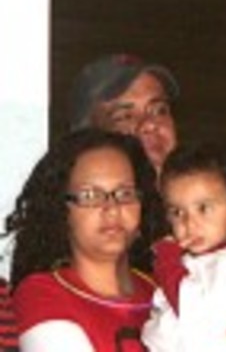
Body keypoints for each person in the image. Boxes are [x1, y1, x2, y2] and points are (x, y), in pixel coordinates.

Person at [6, 129, 166, 352]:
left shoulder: (164, 290)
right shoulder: (42, 294)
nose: (112, 209)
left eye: (125, 194)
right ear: (62, 210)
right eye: (90, 196)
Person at [69, 53, 226, 239]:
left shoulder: (215, 219)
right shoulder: (79, 234)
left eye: (159, 110)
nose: (150, 124)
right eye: (125, 116)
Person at [141, 142, 226, 351]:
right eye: (177, 212)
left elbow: (188, 304)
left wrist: (167, 259)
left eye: (203, 208)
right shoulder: (212, 260)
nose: (189, 223)